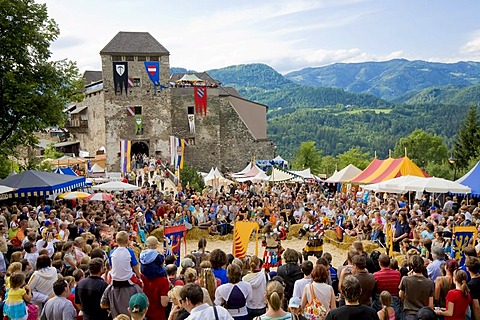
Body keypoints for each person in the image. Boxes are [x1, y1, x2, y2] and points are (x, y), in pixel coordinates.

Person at [139, 236, 169, 320]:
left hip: (145, 313)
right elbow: (164, 303)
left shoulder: (142, 255)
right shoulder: (163, 280)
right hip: (158, 315)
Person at [398, 255, 434, 320]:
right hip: (423, 314)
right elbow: (431, 304)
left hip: (408, 312)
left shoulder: (405, 279)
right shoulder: (429, 282)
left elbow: (401, 295)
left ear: (411, 266)